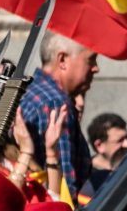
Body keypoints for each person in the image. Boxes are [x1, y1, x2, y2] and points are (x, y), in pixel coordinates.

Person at [16, 33, 104, 194]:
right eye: (90, 59)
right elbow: (66, 186)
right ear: (62, 60)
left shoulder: (32, 91)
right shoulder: (55, 103)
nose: (96, 68)